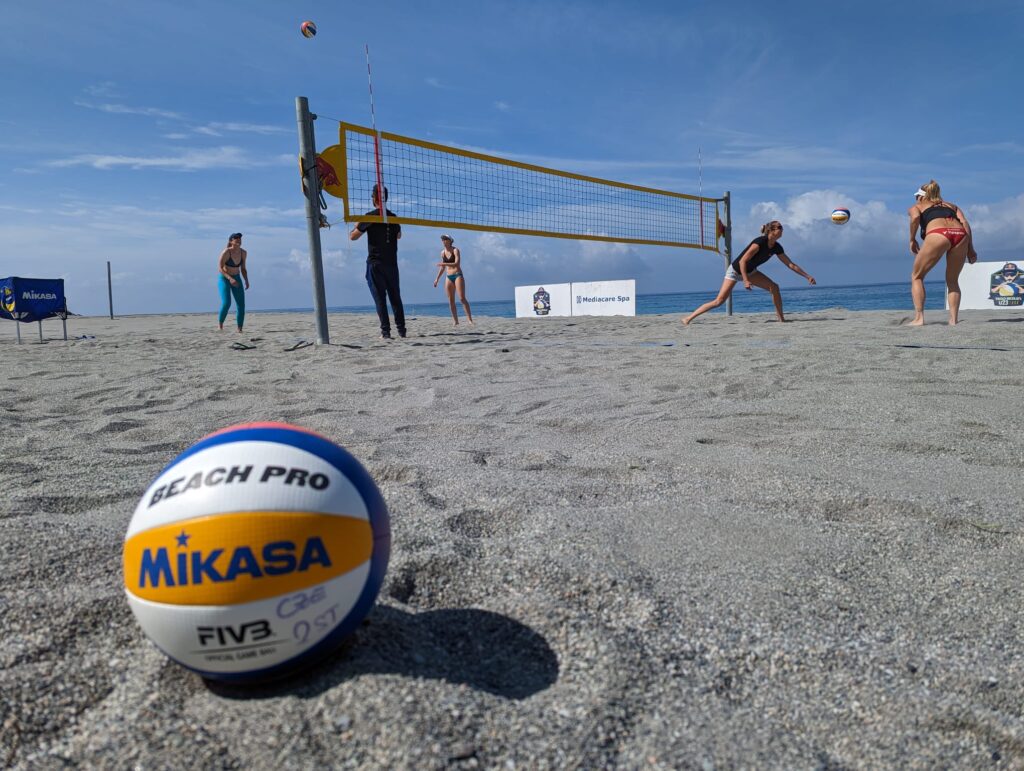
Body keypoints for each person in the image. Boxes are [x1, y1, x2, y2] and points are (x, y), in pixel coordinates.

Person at [682, 220, 816, 325]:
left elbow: (790, 264)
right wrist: (745, 280)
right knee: (719, 301)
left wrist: (807, 276)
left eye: (782, 227)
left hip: (751, 272)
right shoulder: (759, 242)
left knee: (774, 287)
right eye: (780, 227)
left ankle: (781, 319)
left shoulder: (777, 247)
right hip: (735, 271)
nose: (782, 230)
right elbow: (742, 262)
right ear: (772, 231)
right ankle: (688, 318)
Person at [907, 180, 977, 326]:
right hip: (960, 235)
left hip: (938, 234)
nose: (916, 199)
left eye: (917, 197)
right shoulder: (952, 206)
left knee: (917, 276)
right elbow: (965, 223)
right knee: (952, 281)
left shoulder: (917, 206)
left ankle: (919, 318)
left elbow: (914, 218)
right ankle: (953, 320)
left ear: (921, 197)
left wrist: (912, 239)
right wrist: (970, 248)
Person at [350, 184, 406, 339]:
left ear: (373, 198)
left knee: (380, 298)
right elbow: (399, 235)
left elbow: (352, 237)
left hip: (376, 263)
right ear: (386, 198)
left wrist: (357, 224)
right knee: (395, 297)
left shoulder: (370, 216)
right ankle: (402, 331)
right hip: (391, 264)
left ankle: (386, 332)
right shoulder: (394, 217)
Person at [433, 234, 474, 325]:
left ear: (450, 240)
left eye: (445, 239)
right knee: (451, 300)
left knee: (462, 298)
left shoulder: (455, 250)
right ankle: (456, 321)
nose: (443, 241)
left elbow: (457, 264)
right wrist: (437, 279)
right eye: (442, 239)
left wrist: (443, 264)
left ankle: (470, 320)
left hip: (457, 275)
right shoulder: (442, 252)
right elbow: (442, 268)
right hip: (448, 277)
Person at [217, 232, 249, 332]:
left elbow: (243, 268)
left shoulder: (243, 253)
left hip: (237, 278)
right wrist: (230, 278)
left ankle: (240, 329)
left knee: (241, 305)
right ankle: (220, 324)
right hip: (224, 278)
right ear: (231, 241)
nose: (239, 240)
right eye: (236, 238)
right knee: (227, 303)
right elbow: (220, 268)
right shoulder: (226, 252)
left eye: (240, 238)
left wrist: (246, 280)